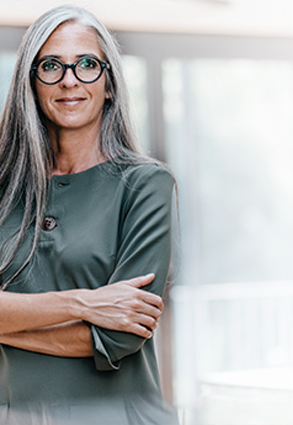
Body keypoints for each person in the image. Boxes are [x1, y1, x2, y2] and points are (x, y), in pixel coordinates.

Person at [0, 5, 178, 425]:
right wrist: (87, 302)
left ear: (109, 83)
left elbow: (117, 337)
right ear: (32, 81)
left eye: (87, 64)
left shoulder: (146, 184)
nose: (69, 80)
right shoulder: (6, 189)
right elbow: (101, 316)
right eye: (51, 66)